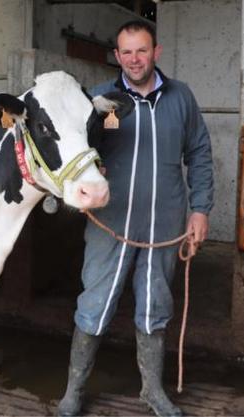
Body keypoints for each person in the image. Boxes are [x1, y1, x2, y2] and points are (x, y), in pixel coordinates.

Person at [57, 20, 214, 417]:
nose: (133, 59)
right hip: (111, 221)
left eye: (141, 50)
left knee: (155, 305)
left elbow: (199, 153)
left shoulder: (181, 97)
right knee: (94, 303)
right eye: (125, 52)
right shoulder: (99, 100)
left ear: (156, 52)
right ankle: (74, 391)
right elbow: (74, 151)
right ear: (116, 56)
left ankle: (151, 391)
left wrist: (200, 210)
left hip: (165, 224)